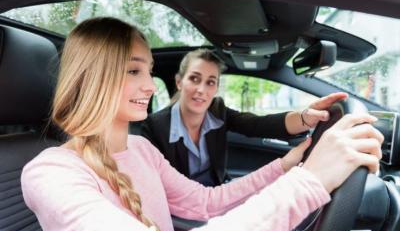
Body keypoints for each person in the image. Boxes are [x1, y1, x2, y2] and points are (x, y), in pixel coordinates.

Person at [21, 17, 383, 231]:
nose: (149, 86)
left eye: (148, 71)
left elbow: (208, 203)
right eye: (133, 70)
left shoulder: (142, 149)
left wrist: (288, 166)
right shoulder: (50, 173)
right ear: (93, 76)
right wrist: (309, 182)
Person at [141, 48, 348, 186]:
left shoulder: (217, 110)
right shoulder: (155, 127)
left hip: (218, 189)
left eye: (211, 82)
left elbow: (258, 125)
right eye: (194, 79)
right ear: (179, 82)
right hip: (183, 205)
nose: (201, 90)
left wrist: (304, 117)